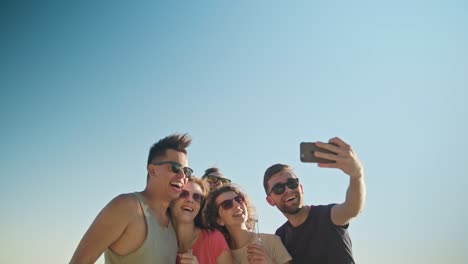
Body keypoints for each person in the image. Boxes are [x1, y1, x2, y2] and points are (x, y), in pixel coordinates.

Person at [70, 133, 193, 264]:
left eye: (187, 171)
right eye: (175, 167)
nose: (182, 175)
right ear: (152, 171)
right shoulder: (127, 207)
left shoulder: (174, 222)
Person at [263, 137, 366, 264]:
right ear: (270, 201)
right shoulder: (281, 236)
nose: (288, 190)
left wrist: (356, 175)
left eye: (292, 183)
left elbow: (353, 208)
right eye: (278, 188)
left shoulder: (328, 215)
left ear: (301, 188)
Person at [204, 184, 292, 264]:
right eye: (227, 204)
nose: (237, 205)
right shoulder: (220, 256)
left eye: (239, 199)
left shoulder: (272, 241)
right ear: (219, 220)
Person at [170, 176, 232, 264]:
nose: (190, 200)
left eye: (197, 197)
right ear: (171, 200)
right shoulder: (158, 239)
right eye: (183, 194)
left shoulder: (214, 239)